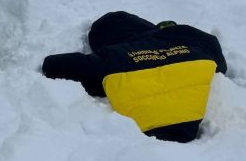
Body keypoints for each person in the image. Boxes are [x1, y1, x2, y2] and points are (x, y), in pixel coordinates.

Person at [42, 11, 227, 143]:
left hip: (152, 136)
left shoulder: (115, 56)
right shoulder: (194, 41)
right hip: (192, 124)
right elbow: (221, 65)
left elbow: (52, 66)